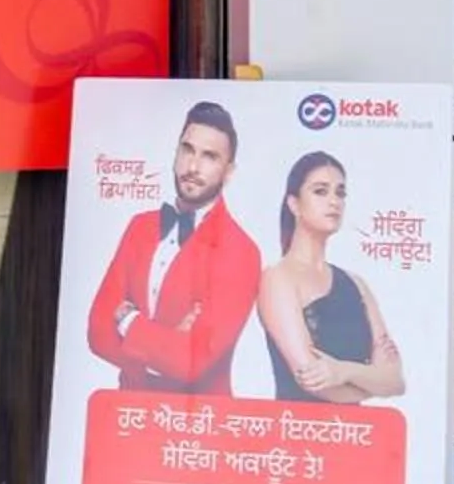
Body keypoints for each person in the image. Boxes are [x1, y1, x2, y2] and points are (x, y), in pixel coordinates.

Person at [85, 102, 260, 394]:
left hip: (196, 425)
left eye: (209, 157)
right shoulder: (139, 227)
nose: (192, 167)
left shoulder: (241, 251)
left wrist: (129, 321)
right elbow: (98, 332)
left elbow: (191, 363)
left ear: (228, 172)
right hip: (128, 414)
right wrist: (167, 345)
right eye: (187, 150)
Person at [256, 150, 404, 404]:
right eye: (320, 191)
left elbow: (395, 381)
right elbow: (314, 383)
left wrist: (344, 371)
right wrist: (373, 383)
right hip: (300, 432)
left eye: (340, 192)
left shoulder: (357, 285)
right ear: (294, 204)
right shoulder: (277, 278)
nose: (334, 201)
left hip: (358, 435)